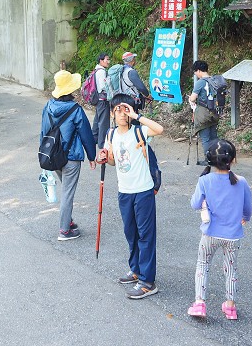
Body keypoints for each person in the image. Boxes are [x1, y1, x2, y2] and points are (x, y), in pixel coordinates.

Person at [97, 93, 164, 299]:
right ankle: (135, 270)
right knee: (131, 233)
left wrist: (137, 115)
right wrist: (103, 157)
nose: (122, 113)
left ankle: (147, 281)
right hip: (124, 191)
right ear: (112, 113)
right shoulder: (111, 135)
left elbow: (159, 129)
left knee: (145, 235)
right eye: (118, 109)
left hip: (143, 190)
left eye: (126, 109)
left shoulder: (140, 131)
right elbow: (112, 161)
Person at [187, 139, 252, 320]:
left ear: (210, 160)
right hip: (233, 236)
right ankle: (230, 307)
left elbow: (194, 204)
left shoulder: (205, 180)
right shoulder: (242, 181)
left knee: (203, 265)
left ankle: (200, 303)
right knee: (231, 269)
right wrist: (245, 219)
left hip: (210, 233)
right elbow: (247, 209)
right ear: (233, 159)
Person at [39, 70, 97, 241]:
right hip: (71, 158)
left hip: (53, 156)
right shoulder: (75, 110)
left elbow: (43, 133)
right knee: (67, 193)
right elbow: (86, 134)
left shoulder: (48, 107)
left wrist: (43, 154)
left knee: (66, 190)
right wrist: (92, 157)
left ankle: (68, 221)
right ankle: (65, 230)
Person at [188, 60, 218, 154]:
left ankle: (208, 159)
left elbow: (193, 98)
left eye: (195, 72)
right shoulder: (214, 80)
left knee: (205, 138)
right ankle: (216, 157)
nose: (196, 74)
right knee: (213, 137)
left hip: (203, 114)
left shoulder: (200, 82)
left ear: (199, 70)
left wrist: (190, 99)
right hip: (214, 112)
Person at [90, 52, 111, 148]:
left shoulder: (96, 70)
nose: (108, 62)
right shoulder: (102, 71)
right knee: (104, 122)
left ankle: (94, 138)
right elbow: (103, 86)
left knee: (97, 119)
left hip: (98, 99)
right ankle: (102, 143)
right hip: (103, 99)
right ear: (101, 61)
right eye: (107, 59)